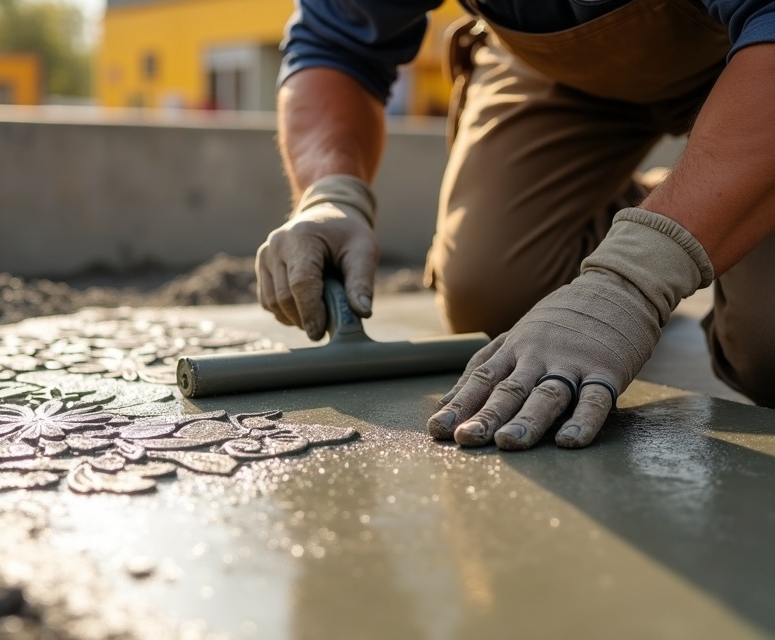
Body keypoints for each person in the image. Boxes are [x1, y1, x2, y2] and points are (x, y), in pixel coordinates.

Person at [255, 0, 775, 451]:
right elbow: (335, 45)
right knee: (493, 296)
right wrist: (330, 194)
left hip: (751, 58)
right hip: (560, 70)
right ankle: (656, 203)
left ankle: (698, 210)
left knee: (767, 351)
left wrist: (635, 278)